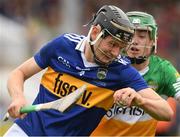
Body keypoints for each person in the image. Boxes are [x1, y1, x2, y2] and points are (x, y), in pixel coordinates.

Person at [4, 6, 173, 136]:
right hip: (28, 131)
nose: (115, 53)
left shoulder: (121, 71)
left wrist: (139, 100)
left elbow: (166, 112)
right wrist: (18, 97)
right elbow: (18, 73)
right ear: (95, 32)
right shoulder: (62, 46)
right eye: (112, 44)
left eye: (120, 48)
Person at [91, 11, 180, 136]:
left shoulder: (163, 70)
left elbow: (170, 110)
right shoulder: (106, 63)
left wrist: (141, 101)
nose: (134, 41)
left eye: (142, 36)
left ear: (153, 41)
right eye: (130, 36)